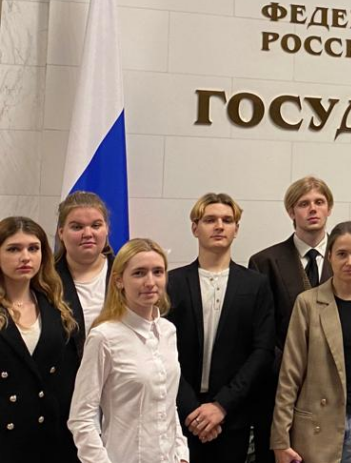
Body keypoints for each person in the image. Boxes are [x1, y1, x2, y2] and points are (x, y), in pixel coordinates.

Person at [271, 221, 351, 463]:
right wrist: (280, 438)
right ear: (329, 256)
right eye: (342, 254)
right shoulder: (307, 303)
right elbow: (290, 375)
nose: (350, 262)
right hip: (317, 430)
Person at [167, 193, 276, 463]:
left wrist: (221, 405)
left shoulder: (256, 285)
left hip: (233, 415)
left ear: (236, 229)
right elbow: (162, 351)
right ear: (195, 228)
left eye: (227, 220)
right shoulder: (172, 283)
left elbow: (262, 351)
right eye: (210, 220)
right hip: (180, 415)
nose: (219, 226)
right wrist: (190, 408)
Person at [68, 238, 189, 463]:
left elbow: (166, 402)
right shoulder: (104, 337)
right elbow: (81, 418)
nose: (150, 282)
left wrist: (181, 453)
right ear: (119, 280)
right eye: (139, 273)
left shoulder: (168, 331)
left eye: (157, 272)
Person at [250, 175, 335, 462]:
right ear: (291, 212)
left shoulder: (346, 259)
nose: (312, 209)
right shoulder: (265, 262)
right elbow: (262, 332)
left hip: (334, 390)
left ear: (329, 208)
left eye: (319, 202)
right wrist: (291, 370)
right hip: (281, 384)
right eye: (303, 203)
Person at [0, 216, 79, 463]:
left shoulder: (56, 307)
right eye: (14, 249)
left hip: (49, 439)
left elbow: (65, 380)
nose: (25, 257)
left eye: (33, 248)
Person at [54, 192, 113, 364]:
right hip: (63, 377)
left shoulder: (126, 274)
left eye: (96, 225)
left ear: (106, 229)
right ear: (61, 232)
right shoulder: (44, 279)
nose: (88, 233)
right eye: (77, 227)